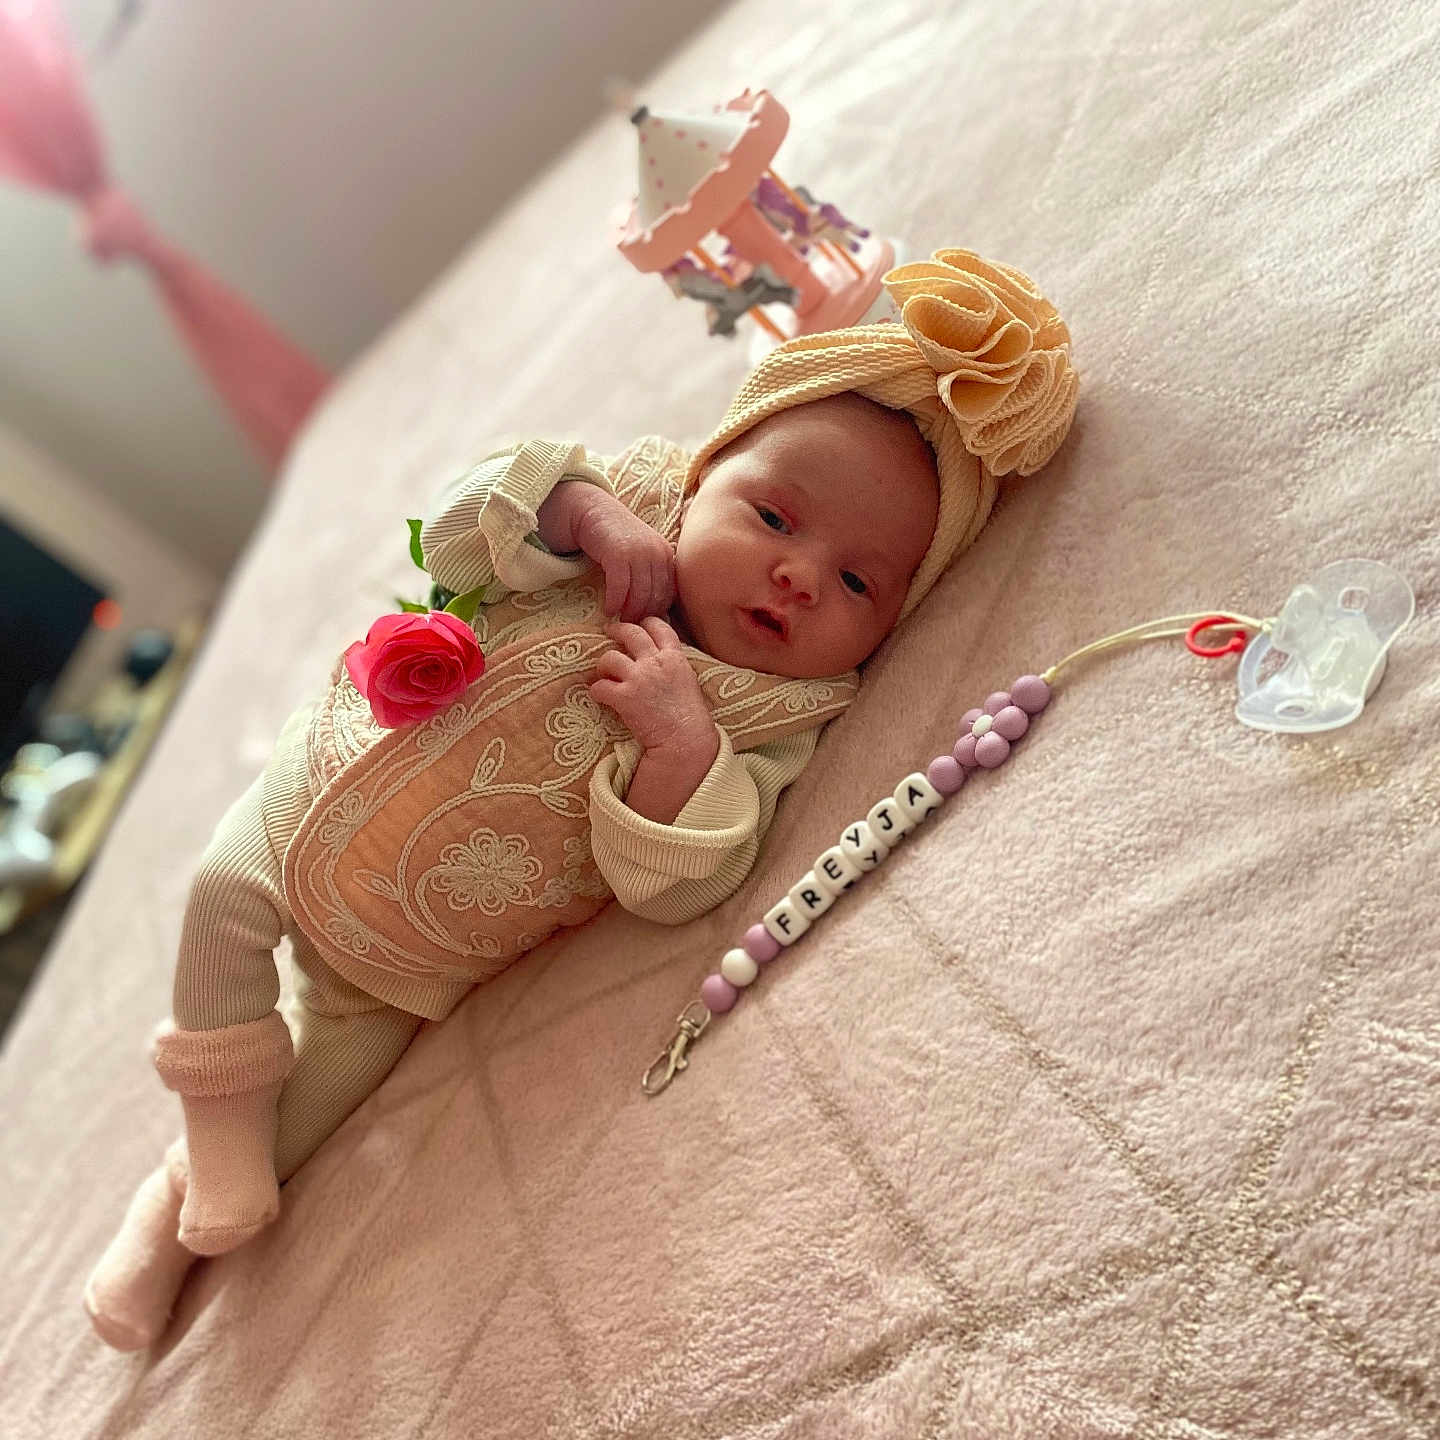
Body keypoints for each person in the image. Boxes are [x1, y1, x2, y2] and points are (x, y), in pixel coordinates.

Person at [83, 248, 1078, 1349]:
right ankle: (216, 1121)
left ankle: (167, 1219)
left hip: (414, 957)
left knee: (323, 1096)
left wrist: (678, 741)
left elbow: (687, 880)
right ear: (703, 478)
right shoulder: (628, 515)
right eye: (776, 519)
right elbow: (464, 517)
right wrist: (584, 514)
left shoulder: (765, 717)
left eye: (856, 582)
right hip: (315, 794)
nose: (799, 575)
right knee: (221, 894)